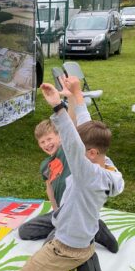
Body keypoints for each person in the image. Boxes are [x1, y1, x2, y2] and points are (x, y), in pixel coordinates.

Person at [14, 76, 124, 271]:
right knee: (36, 234)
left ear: (90, 153)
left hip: (68, 247)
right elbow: (85, 127)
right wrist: (77, 93)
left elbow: (73, 142)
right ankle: (86, 260)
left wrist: (58, 106)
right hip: (81, 234)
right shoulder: (106, 166)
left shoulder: (87, 174)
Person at [18, 107, 119, 253]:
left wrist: (66, 100)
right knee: (24, 231)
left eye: (49, 139)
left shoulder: (68, 151)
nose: (46, 144)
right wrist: (56, 212)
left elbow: (71, 123)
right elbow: (49, 188)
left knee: (49, 250)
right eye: (42, 142)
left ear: (60, 137)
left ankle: (95, 227)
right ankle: (67, 228)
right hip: (62, 213)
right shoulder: (45, 165)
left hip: (77, 213)